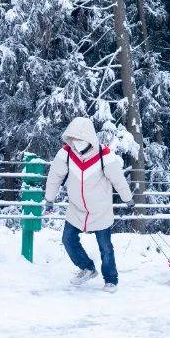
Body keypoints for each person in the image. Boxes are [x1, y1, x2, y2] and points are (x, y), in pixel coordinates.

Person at [44, 117, 134, 292]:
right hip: (76, 209)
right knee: (68, 240)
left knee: (105, 248)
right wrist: (49, 199)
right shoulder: (66, 154)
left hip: (100, 211)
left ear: (89, 139)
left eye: (80, 139)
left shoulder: (104, 155)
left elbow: (117, 178)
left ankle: (111, 279)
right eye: (74, 139)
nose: (76, 143)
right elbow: (54, 176)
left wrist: (127, 197)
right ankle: (87, 268)